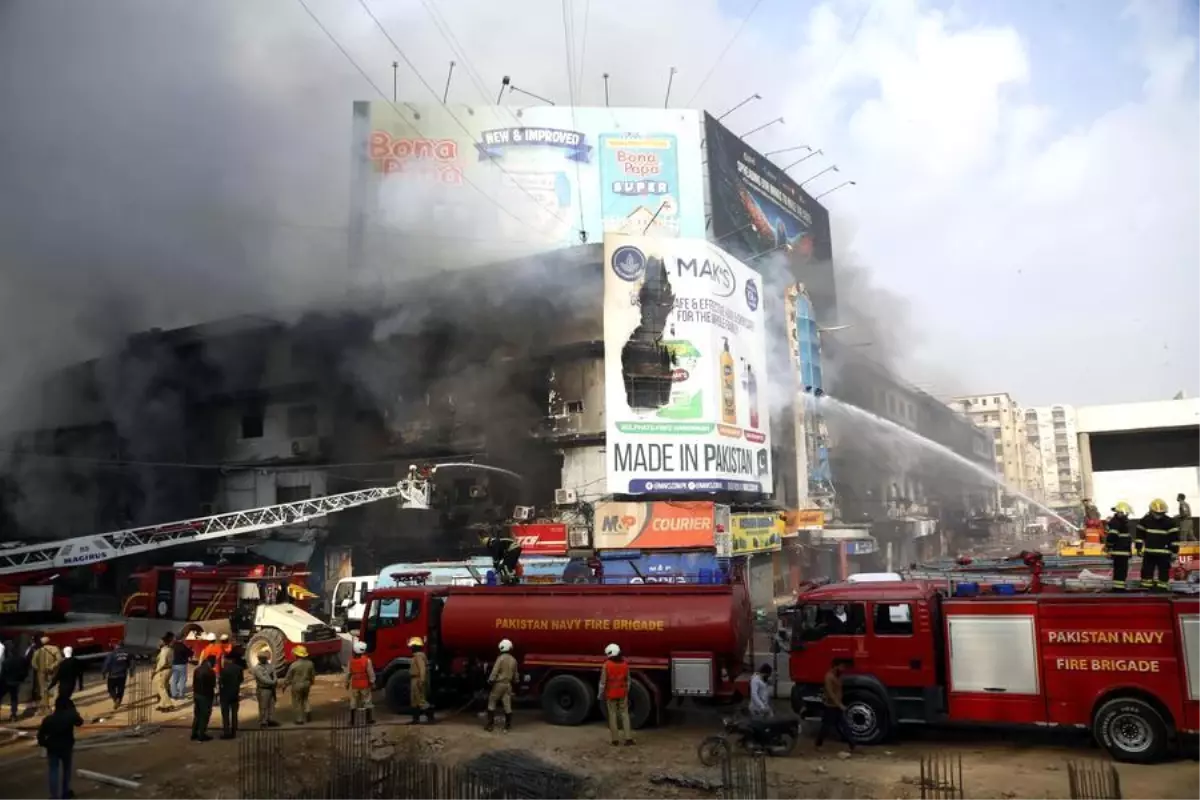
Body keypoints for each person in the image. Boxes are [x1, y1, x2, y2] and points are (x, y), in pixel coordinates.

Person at [37, 695, 83, 800]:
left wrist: (46, 744)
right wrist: (74, 711)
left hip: (53, 748)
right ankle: (65, 792)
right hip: (66, 746)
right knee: (66, 770)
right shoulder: (70, 716)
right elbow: (80, 722)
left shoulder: (48, 720)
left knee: (53, 771)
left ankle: (54, 796)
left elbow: (40, 736)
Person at [1137, 499, 1180, 592]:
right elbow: (1139, 536)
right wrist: (1138, 548)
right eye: (1156, 513)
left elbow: (1174, 539)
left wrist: (1174, 551)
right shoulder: (1145, 520)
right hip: (1151, 552)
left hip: (1163, 553)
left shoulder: (1170, 522)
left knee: (1163, 571)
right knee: (1147, 571)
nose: (1158, 515)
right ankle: (1147, 587)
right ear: (1151, 511)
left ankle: (1162, 588)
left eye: (1160, 513)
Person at [815, 660, 855, 753]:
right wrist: (840, 705)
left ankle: (852, 744)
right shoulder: (829, 677)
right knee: (827, 726)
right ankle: (818, 744)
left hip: (836, 705)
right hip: (830, 706)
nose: (843, 669)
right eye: (842, 666)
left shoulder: (837, 676)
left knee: (843, 725)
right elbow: (831, 693)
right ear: (836, 666)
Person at [598, 643, 633, 747]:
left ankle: (615, 740)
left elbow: (603, 682)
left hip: (610, 694)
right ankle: (628, 738)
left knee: (612, 715)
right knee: (625, 715)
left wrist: (600, 694)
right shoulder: (625, 664)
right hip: (622, 693)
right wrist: (626, 691)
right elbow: (628, 680)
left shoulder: (606, 665)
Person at [485, 638, 518, 733]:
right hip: (508, 685)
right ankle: (507, 726)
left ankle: (490, 725)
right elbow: (516, 675)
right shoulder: (514, 660)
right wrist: (516, 681)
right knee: (507, 704)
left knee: (492, 701)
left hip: (498, 684)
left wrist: (490, 680)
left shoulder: (500, 659)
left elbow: (495, 671)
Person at [282, 644, 316, 725]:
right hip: (307, 684)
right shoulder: (310, 663)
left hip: (297, 685)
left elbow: (288, 677)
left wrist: (285, 685)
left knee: (297, 701)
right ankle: (308, 710)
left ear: (296, 655)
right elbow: (312, 674)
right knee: (305, 698)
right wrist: (311, 682)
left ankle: (299, 719)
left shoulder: (293, 665)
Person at [1105, 502, 1135, 591]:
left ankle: (1119, 587)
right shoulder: (1116, 522)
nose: (1126, 515)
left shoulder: (1122, 522)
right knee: (1120, 570)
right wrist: (1109, 548)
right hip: (1119, 551)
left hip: (1123, 551)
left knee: (1122, 570)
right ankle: (1118, 588)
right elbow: (1112, 536)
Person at [218, 646, 246, 740]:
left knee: (225, 715)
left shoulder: (224, 670)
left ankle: (226, 732)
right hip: (235, 693)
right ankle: (234, 731)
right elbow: (241, 680)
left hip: (225, 695)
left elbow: (221, 682)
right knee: (234, 714)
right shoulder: (239, 668)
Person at [346, 640, 376, 725]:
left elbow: (348, 673)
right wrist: (372, 682)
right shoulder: (367, 660)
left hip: (355, 684)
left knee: (353, 701)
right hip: (365, 684)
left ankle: (352, 721)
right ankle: (368, 720)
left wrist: (347, 683)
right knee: (367, 700)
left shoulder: (351, 661)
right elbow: (370, 672)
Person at [31, 636, 62, 714]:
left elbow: (33, 663)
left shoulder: (37, 651)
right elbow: (59, 660)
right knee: (56, 687)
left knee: (43, 689)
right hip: (53, 672)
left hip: (41, 673)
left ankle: (46, 706)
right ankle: (56, 705)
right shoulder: (55, 649)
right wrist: (52, 666)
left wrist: (40, 670)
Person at [101, 639, 134, 711]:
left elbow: (107, 664)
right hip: (122, 675)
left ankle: (116, 699)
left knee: (111, 689)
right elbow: (132, 664)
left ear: (116, 646)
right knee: (121, 689)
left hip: (112, 675)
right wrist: (131, 672)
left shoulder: (112, 654)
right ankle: (119, 699)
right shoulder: (128, 654)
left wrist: (104, 673)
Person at [191, 655, 217, 742]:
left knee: (197, 715)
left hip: (197, 694)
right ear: (210, 662)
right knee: (204, 716)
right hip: (206, 696)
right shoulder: (210, 672)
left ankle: (194, 733)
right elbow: (213, 685)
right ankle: (201, 734)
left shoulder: (197, 670)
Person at [408, 636, 434, 724]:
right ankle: (415, 719)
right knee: (415, 701)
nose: (411, 648)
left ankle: (430, 716)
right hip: (415, 679)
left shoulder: (419, 656)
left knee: (420, 700)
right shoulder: (417, 656)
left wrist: (422, 680)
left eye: (412, 646)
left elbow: (422, 668)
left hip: (417, 679)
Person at [251, 650, 279, 727]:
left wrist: (275, 680)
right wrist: (273, 682)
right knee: (263, 706)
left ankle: (270, 720)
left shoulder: (270, 665)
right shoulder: (257, 668)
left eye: (264, 657)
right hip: (263, 689)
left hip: (271, 688)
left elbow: (274, 673)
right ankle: (263, 721)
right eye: (262, 658)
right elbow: (263, 679)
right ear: (259, 658)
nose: (264, 659)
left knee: (272, 705)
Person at [1, 640, 26, 721]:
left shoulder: (6, 662)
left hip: (6, 682)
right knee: (14, 698)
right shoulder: (22, 660)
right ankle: (14, 715)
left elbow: (3, 674)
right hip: (16, 682)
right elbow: (25, 671)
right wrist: (22, 679)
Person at [153, 633, 175, 711]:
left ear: (164, 642)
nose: (159, 643)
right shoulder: (170, 649)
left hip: (163, 670)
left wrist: (155, 672)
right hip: (169, 669)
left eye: (160, 641)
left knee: (160, 687)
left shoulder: (164, 651)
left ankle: (169, 704)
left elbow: (162, 663)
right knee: (164, 687)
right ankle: (162, 704)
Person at [171, 633, 192, 700]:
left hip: (174, 665)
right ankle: (181, 694)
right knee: (183, 679)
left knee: (174, 680)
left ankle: (174, 694)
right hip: (182, 665)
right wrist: (190, 649)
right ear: (182, 638)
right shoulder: (183, 646)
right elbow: (190, 653)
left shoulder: (172, 646)